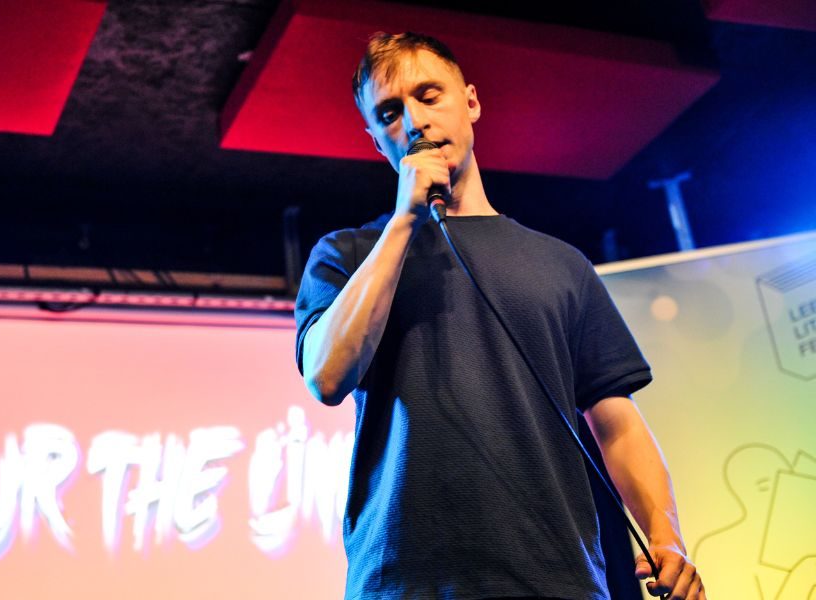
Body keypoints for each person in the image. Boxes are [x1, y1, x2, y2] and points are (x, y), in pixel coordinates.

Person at [294, 32, 704, 600]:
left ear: (471, 101)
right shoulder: (347, 254)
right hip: (407, 584)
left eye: (428, 95)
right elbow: (327, 376)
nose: (413, 120)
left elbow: (617, 421)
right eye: (390, 112)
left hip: (558, 581)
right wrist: (403, 223)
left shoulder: (561, 265)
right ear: (375, 140)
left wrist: (667, 536)